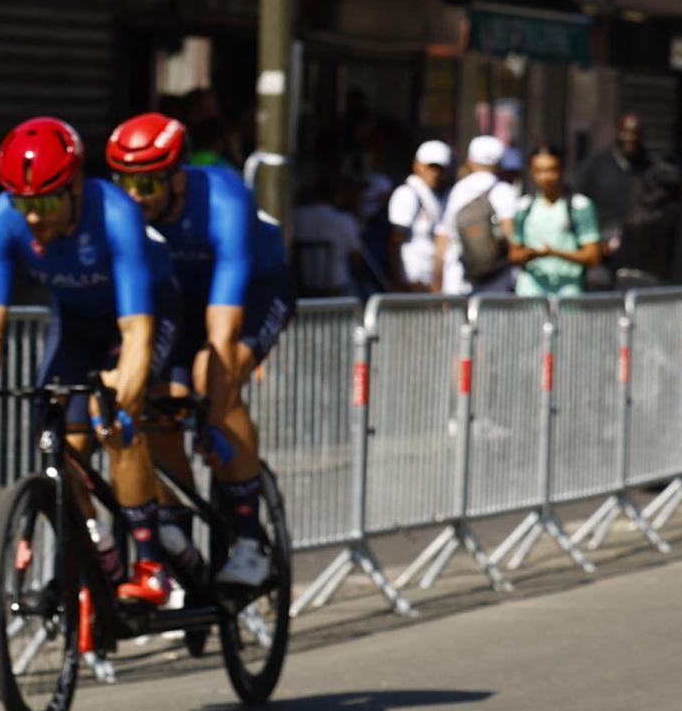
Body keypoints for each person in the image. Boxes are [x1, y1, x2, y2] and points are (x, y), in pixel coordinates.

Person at [0, 118, 183, 607]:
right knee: (58, 440)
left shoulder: (115, 213)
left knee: (111, 422)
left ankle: (151, 564)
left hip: (143, 314)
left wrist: (123, 400)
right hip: (76, 325)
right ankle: (98, 548)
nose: (33, 217)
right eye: (23, 203)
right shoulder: (2, 217)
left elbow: (137, 332)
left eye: (47, 202)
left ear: (75, 186)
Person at [107, 113, 286, 587]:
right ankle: (178, 531)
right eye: (123, 183)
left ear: (177, 178)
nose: (132, 198)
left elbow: (222, 331)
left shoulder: (223, 200)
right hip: (181, 300)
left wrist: (211, 410)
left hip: (253, 291)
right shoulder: (125, 214)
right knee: (154, 403)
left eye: (146, 186)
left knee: (215, 380)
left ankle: (250, 537)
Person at [575, 113, 679, 284]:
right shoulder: (595, 166)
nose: (630, 138)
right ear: (617, 132)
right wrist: (596, 241)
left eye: (635, 133)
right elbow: (579, 204)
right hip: (602, 254)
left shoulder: (651, 170)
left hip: (639, 257)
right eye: (625, 132)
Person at [511, 146, 605, 298]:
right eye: (539, 171)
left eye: (551, 170)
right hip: (530, 290)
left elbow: (592, 256)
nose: (545, 177)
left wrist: (554, 253)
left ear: (562, 170)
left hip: (568, 290)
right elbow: (513, 254)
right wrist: (527, 255)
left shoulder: (579, 206)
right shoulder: (524, 207)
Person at [441, 135, 523, 296]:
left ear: (470, 160)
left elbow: (443, 237)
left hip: (457, 277)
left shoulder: (457, 190)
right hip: (496, 280)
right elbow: (510, 233)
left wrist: (437, 279)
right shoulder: (504, 190)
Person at [289, 168, 369, 298]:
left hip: (301, 288)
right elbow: (355, 259)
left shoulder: (295, 216)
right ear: (338, 195)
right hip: (335, 290)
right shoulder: (345, 220)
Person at [386, 139, 451, 293]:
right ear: (417, 164)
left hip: (427, 283)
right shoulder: (407, 194)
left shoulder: (434, 198)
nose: (435, 173)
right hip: (410, 283)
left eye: (440, 168)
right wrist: (398, 281)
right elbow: (395, 240)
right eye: (430, 167)